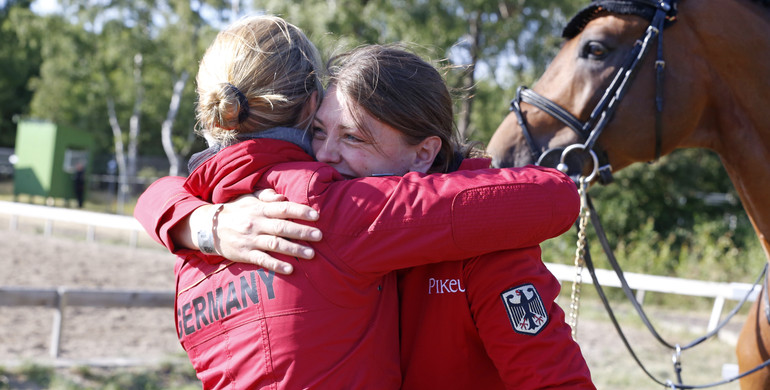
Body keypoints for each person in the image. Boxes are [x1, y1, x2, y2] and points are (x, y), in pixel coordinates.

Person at [135, 19, 590, 390]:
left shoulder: (484, 243)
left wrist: (194, 221)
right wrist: (204, 221)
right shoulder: (312, 211)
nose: (327, 154)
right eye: (318, 131)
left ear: (424, 153)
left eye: (353, 137)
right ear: (307, 108)